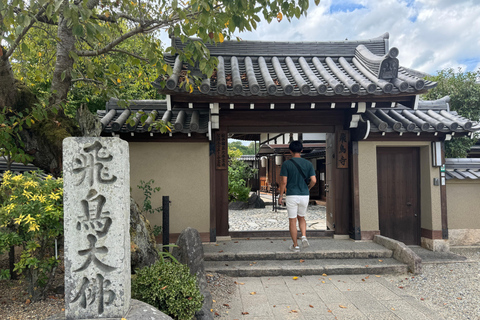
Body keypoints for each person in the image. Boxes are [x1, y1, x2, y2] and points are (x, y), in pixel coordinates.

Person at [278, 141, 317, 252]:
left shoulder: (286, 164)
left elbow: (284, 182)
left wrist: (281, 195)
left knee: (292, 220)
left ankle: (295, 246)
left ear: (290, 151)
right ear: (301, 150)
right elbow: (314, 180)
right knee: (302, 217)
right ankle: (303, 236)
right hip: (304, 195)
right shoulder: (308, 164)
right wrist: (308, 188)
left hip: (292, 195)